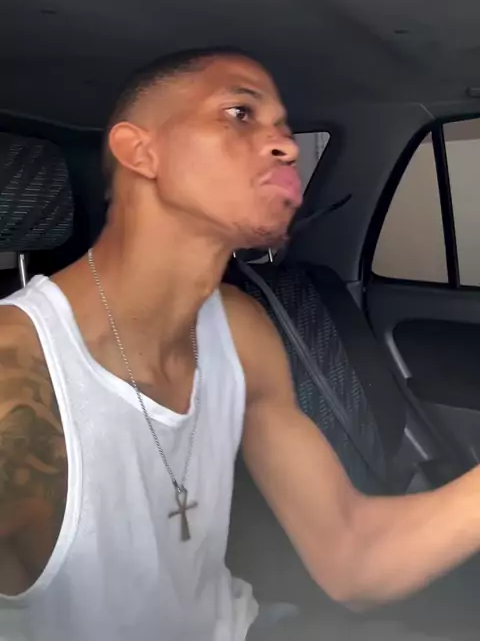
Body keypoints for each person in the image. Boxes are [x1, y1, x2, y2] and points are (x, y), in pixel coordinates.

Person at [0, 48, 479, 641]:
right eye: (239, 114)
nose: (287, 147)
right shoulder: (17, 371)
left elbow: (353, 557)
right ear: (140, 152)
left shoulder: (239, 326)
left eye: (282, 125)